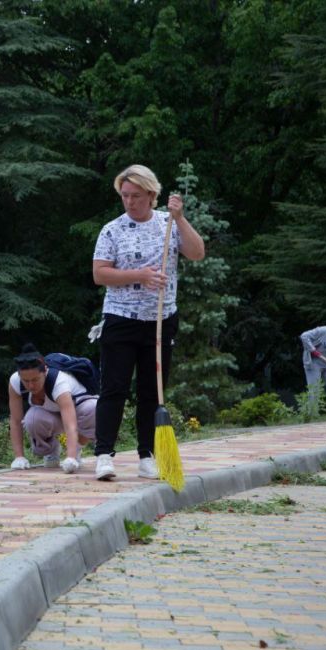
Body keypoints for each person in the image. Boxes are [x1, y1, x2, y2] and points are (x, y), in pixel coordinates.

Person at [91, 164, 205, 481]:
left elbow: (197, 253)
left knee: (151, 392)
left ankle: (147, 455)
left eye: (136, 196)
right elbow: (100, 274)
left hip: (159, 320)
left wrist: (180, 218)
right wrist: (138, 276)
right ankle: (104, 454)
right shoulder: (112, 230)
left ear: (151, 195)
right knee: (113, 387)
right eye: (125, 195)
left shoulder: (168, 225)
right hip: (120, 318)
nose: (129, 201)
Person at [8, 345, 97, 474]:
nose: (31, 385)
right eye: (26, 381)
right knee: (32, 418)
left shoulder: (58, 381)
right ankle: (51, 452)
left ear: (45, 371)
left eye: (35, 379)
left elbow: (70, 424)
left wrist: (71, 457)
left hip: (78, 414)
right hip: (52, 416)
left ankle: (77, 449)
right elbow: (15, 420)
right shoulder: (15, 381)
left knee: (93, 409)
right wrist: (19, 457)